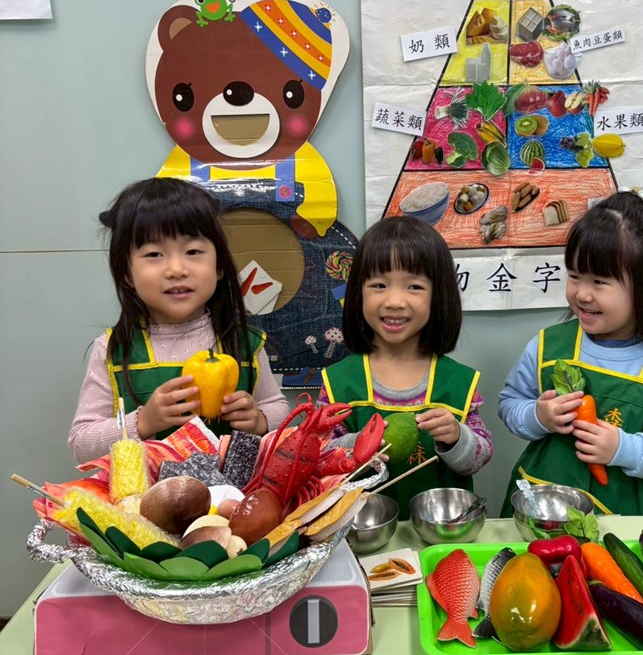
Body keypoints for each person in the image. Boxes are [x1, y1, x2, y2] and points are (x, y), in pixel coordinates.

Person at [498, 186, 643, 520]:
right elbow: (510, 403)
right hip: (540, 508)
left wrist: (624, 448)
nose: (582, 294)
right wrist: (538, 416)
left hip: (622, 520)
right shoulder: (548, 346)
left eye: (599, 282)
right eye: (575, 276)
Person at [68, 177, 289, 462]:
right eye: (154, 254)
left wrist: (260, 419)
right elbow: (81, 443)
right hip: (144, 491)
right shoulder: (112, 348)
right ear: (126, 273)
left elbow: (278, 407)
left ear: (219, 266)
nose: (176, 269)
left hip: (234, 489)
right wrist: (142, 422)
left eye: (193, 252)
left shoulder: (246, 342)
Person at [318, 215, 493, 519]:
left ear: (438, 296)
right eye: (379, 285)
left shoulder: (458, 382)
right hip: (358, 533)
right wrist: (357, 444)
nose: (395, 301)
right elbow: (318, 456)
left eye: (414, 286)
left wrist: (456, 436)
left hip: (441, 533)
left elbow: (479, 457)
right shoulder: (338, 382)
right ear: (358, 293)